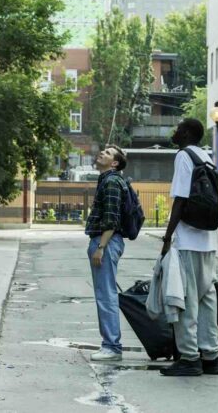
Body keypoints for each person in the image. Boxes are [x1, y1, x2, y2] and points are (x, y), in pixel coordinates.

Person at [160, 118, 218, 377]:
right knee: (207, 300)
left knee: (185, 299)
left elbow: (180, 199)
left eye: (178, 129)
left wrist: (167, 237)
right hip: (208, 241)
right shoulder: (207, 157)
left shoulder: (183, 156)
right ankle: (212, 356)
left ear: (186, 133)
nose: (174, 133)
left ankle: (189, 357)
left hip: (188, 241)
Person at [84, 145, 129, 362]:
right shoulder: (107, 180)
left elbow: (111, 219)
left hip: (106, 242)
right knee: (105, 293)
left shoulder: (111, 182)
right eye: (103, 151)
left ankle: (111, 346)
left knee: (106, 295)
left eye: (108, 153)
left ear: (115, 163)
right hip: (105, 242)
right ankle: (110, 344)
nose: (102, 153)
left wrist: (101, 247)